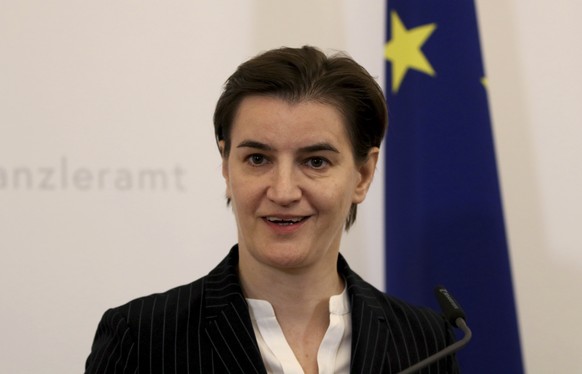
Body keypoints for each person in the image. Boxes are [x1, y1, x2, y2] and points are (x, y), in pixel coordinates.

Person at [85, 46, 459, 374]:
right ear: (226, 168)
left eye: (315, 162)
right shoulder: (141, 338)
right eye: (258, 158)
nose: (283, 191)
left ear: (362, 175)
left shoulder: (427, 342)